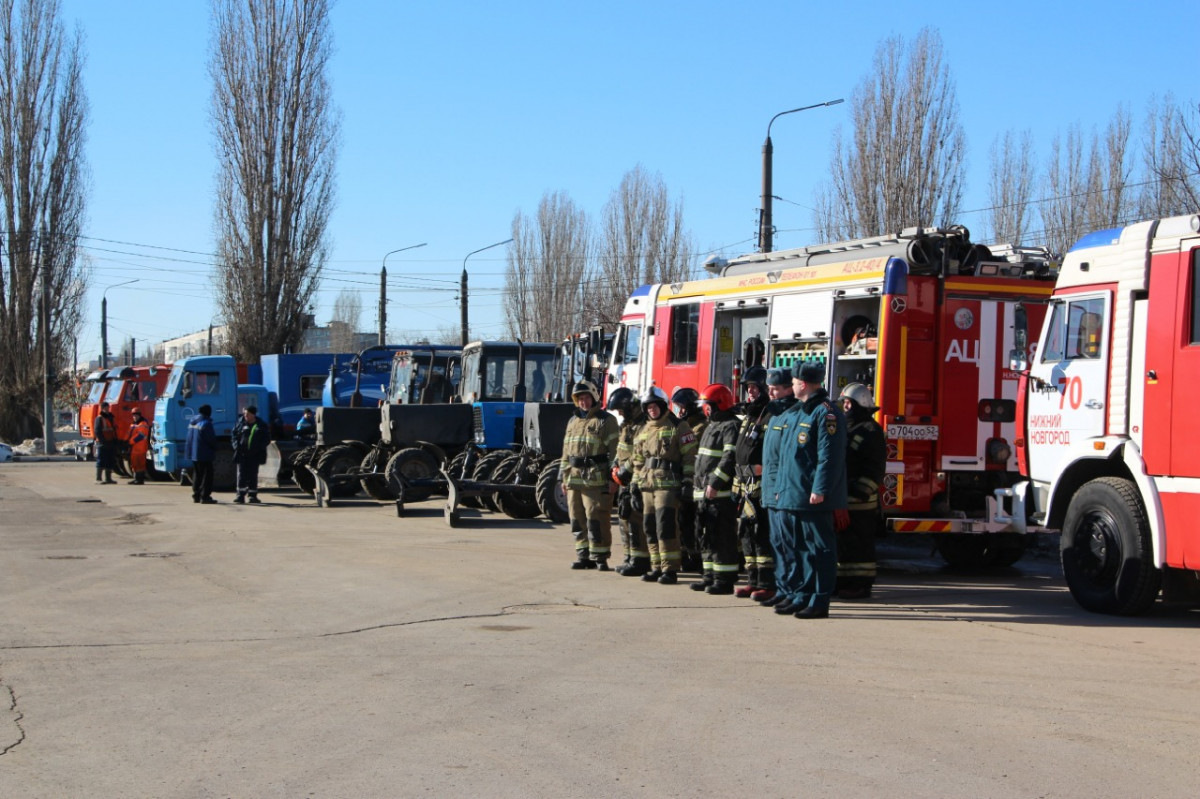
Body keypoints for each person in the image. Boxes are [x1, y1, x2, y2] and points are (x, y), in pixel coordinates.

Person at [765, 363, 847, 619]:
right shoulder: (798, 412)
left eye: (795, 380)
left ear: (804, 383)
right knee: (799, 548)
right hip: (793, 493)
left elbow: (829, 457)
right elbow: (787, 458)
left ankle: (820, 600)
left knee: (820, 550)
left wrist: (820, 489)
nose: (792, 384)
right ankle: (802, 595)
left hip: (812, 496)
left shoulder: (826, 413)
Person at [733, 367, 794, 600]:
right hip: (745, 485)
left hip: (763, 485)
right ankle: (753, 580)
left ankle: (768, 584)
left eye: (754, 387)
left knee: (763, 534)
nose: (750, 391)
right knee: (747, 534)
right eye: (748, 388)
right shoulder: (751, 415)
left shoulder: (774, 415)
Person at [631, 386, 697, 584]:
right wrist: (634, 485)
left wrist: (688, 482)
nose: (652, 410)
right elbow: (637, 460)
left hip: (668, 486)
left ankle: (670, 569)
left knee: (665, 526)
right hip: (647, 486)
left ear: (662, 405)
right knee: (649, 526)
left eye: (655, 406)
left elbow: (690, 456)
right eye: (648, 407)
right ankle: (656, 566)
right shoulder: (643, 430)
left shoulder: (678, 426)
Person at [559, 380, 620, 570]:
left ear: (594, 398)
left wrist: (613, 478)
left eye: (586, 398)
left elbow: (615, 451)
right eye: (579, 399)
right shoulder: (572, 421)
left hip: (596, 478)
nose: (583, 402)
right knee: (577, 519)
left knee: (597, 518)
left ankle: (600, 557)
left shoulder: (606, 420)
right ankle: (583, 555)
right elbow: (566, 452)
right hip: (574, 478)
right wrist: (562, 477)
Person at [835, 383, 887, 599]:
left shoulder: (871, 431)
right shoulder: (845, 428)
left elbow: (875, 469)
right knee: (844, 545)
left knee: (860, 545)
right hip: (842, 498)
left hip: (861, 502)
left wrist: (858, 493)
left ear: (860, 404)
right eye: (844, 402)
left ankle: (861, 584)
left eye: (849, 402)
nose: (845, 406)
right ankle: (843, 582)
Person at [690, 383, 741, 594]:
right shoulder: (711, 425)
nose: (706, 409)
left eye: (708, 405)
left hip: (719, 493)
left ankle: (724, 579)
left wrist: (715, 483)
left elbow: (729, 458)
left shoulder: (730, 426)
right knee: (706, 535)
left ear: (720, 404)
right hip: (704, 491)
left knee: (722, 537)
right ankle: (709, 575)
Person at [607, 387, 651, 577]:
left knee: (635, 520)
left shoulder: (643, 425)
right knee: (624, 518)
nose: (619, 414)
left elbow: (639, 454)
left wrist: (625, 471)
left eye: (621, 410)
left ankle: (640, 560)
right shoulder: (626, 425)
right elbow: (621, 450)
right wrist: (615, 467)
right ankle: (629, 556)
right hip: (624, 478)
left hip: (636, 479)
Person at [671, 386, 706, 572]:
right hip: (686, 479)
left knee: (692, 521)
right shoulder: (687, 425)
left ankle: (695, 557)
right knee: (683, 520)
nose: (679, 411)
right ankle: (685, 555)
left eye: (681, 407)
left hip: (696, 481)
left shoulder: (699, 428)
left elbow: (689, 453)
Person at [232, 405, 270, 504]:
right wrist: (236, 446)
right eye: (244, 414)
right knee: (241, 475)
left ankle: (252, 496)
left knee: (253, 475)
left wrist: (258, 448)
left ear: (253, 414)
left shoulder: (261, 425)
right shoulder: (240, 423)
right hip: (242, 454)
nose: (245, 416)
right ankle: (240, 496)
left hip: (255, 455)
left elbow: (266, 439)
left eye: (247, 414)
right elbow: (234, 436)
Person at [185, 404, 218, 504]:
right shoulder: (206, 424)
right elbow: (211, 440)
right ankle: (205, 496)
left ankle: (196, 495)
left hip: (194, 453)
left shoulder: (193, 422)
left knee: (197, 475)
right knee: (207, 476)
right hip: (205, 454)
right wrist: (215, 448)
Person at [93, 402, 118, 484]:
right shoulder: (99, 418)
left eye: (108, 407)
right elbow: (97, 431)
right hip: (102, 443)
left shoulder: (111, 417)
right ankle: (98, 479)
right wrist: (102, 441)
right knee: (101, 460)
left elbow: (113, 430)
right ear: (102, 408)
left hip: (111, 442)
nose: (107, 409)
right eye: (105, 408)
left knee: (109, 460)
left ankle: (108, 478)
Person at [126, 410, 151, 485]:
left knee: (140, 464)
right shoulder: (133, 424)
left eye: (136, 415)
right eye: (133, 415)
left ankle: (140, 479)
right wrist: (124, 442)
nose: (134, 417)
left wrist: (130, 442)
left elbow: (140, 436)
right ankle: (136, 479)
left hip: (140, 448)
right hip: (134, 449)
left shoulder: (143, 424)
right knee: (134, 464)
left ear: (139, 415)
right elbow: (128, 434)